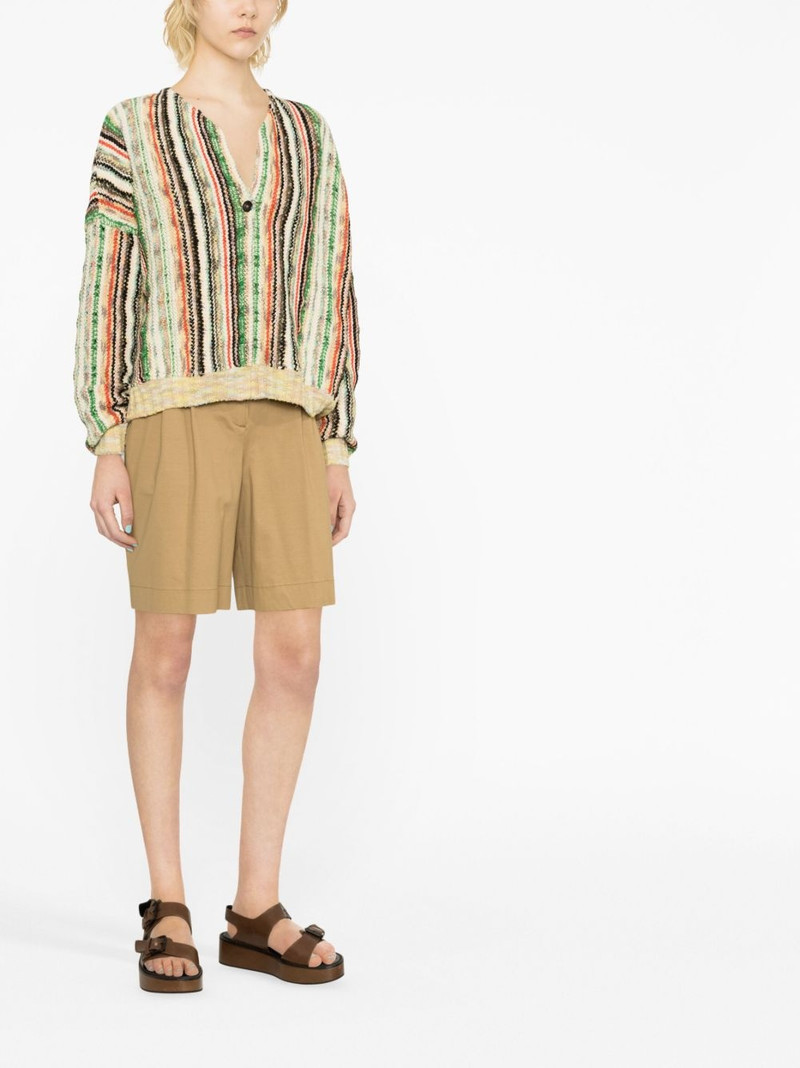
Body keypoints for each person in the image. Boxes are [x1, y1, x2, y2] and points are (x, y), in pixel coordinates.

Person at [73, 0, 361, 993]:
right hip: (171, 410)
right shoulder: (134, 126)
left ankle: (255, 908)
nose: (245, 4)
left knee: (295, 657)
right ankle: (168, 903)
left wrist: (336, 442)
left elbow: (332, 285)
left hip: (288, 416)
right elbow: (109, 285)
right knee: (166, 651)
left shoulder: (308, 133)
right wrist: (109, 437)